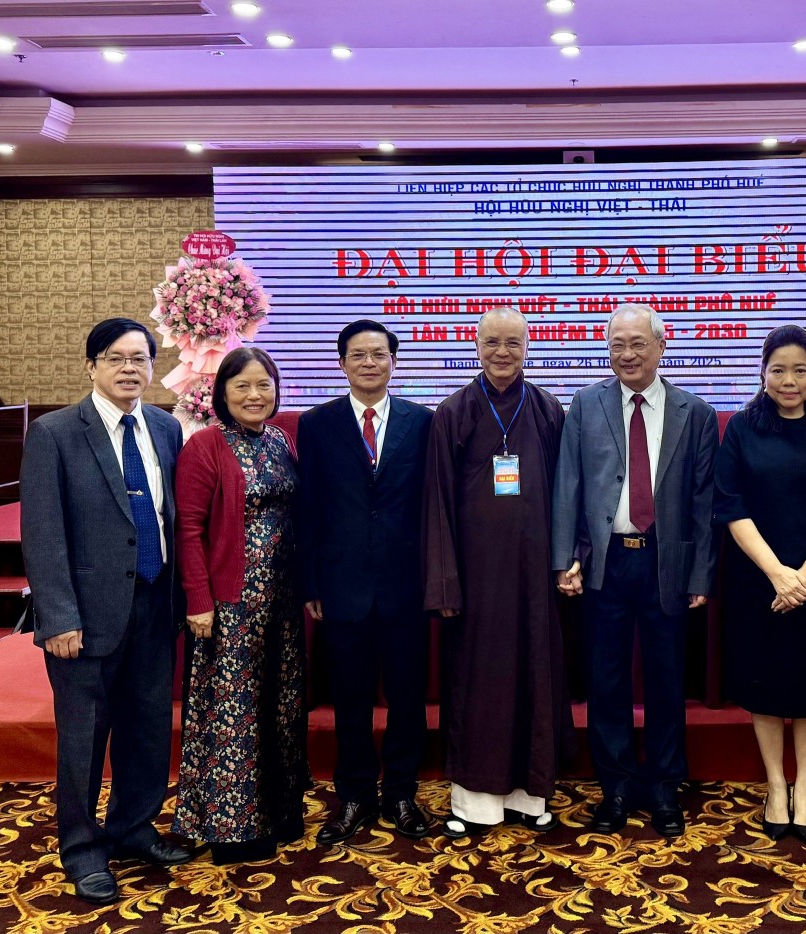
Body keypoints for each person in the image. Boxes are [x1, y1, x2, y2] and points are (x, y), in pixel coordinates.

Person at [19, 318, 190, 904]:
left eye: (139, 359)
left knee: (146, 729)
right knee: (84, 737)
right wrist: (58, 616)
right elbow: (42, 532)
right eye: (115, 358)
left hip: (154, 600)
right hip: (85, 615)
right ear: (91, 365)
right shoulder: (55, 432)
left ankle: (133, 827)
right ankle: (82, 847)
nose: (129, 369)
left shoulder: (167, 428)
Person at [552, 302, 719, 839]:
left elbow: (702, 501)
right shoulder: (586, 403)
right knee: (606, 680)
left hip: (665, 561)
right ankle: (617, 787)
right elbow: (568, 487)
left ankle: (665, 788)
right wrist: (564, 559)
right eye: (617, 344)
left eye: (638, 343)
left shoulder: (694, 412)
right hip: (605, 562)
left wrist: (700, 575)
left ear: (661, 346)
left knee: (668, 679)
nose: (627, 354)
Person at [422, 307, 570, 837]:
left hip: (534, 575)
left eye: (514, 343)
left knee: (534, 673)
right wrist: (444, 580)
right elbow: (436, 501)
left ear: (528, 347)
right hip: (477, 578)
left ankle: (530, 796)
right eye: (493, 343)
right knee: (479, 679)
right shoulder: (454, 412)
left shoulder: (549, 409)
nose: (503, 353)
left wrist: (567, 558)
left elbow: (567, 492)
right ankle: (475, 800)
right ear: (476, 345)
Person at [713, 325, 806, 844]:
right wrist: (778, 574)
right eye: (778, 369)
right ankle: (777, 785)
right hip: (758, 580)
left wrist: (805, 578)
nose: (789, 380)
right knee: (766, 684)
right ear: (762, 372)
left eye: (800, 369)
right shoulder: (741, 429)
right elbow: (730, 505)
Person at [298, 320, 434, 845]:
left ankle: (401, 792)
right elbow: (309, 508)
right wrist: (311, 581)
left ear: (394, 361)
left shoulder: (423, 422)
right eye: (359, 355)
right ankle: (354, 795)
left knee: (406, 697)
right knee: (350, 697)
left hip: (407, 584)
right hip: (341, 583)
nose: (370, 363)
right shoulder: (317, 424)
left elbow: (432, 506)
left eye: (379, 354)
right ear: (342, 363)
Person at [173, 346, 307, 864]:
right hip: (231, 601)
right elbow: (188, 528)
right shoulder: (206, 446)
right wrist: (199, 600)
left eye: (264, 385)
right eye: (242, 387)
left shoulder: (280, 440)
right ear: (222, 393)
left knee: (281, 704)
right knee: (234, 712)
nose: (255, 396)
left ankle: (279, 808)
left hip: (282, 600)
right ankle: (233, 828)